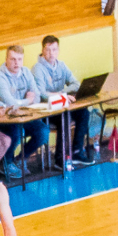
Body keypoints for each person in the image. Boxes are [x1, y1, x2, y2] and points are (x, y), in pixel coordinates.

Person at [31, 34, 94, 165]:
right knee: (64, 117)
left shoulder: (62, 65)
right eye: (48, 49)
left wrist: (61, 94)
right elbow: (42, 94)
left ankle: (77, 152)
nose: (51, 53)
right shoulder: (37, 69)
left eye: (54, 49)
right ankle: (59, 159)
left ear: (58, 51)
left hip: (62, 105)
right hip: (46, 111)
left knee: (84, 112)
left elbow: (76, 83)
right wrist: (63, 95)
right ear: (42, 50)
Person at [0, 44, 45, 179]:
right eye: (12, 59)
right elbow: (10, 103)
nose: (16, 63)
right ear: (6, 59)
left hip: (22, 116)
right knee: (17, 131)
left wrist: (27, 101)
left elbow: (37, 96)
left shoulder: (26, 73)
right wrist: (27, 101)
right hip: (0, 120)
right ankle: (5, 164)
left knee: (43, 131)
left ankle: (19, 160)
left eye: (19, 59)